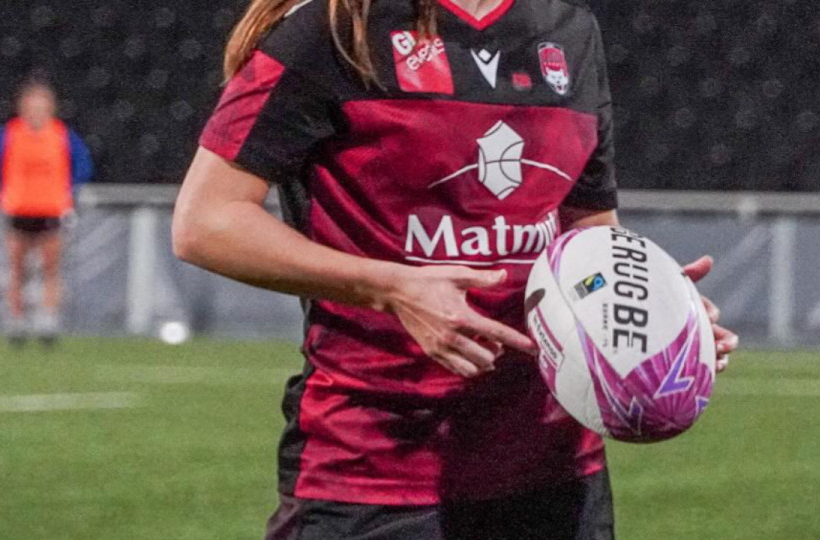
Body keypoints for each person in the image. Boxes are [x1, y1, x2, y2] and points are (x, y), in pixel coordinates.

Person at [173, 0, 739, 538]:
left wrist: (653, 311)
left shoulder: (570, 32)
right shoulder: (333, 29)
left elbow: (590, 234)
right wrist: (389, 287)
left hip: (554, 469)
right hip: (372, 472)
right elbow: (205, 222)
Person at [0, 79, 93, 347]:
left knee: (50, 268)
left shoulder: (62, 135)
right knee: (16, 268)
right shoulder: (8, 134)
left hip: (50, 210)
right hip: (17, 209)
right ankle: (16, 320)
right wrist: (5, 193)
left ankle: (48, 320)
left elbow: (82, 166)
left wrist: (67, 194)